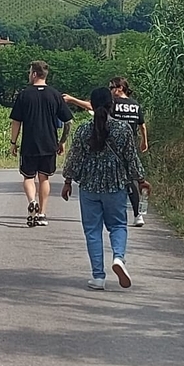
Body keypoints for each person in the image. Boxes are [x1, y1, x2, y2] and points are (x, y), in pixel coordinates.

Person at [61, 87, 150, 290]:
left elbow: (74, 158)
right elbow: (131, 159)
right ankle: (118, 257)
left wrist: (67, 181)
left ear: (91, 105)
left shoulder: (83, 130)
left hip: (89, 187)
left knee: (92, 231)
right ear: (112, 105)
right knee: (118, 225)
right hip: (116, 187)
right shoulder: (123, 129)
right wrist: (141, 180)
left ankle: (98, 277)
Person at [63, 76, 149, 227]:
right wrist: (144, 141)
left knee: (113, 182)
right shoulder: (135, 105)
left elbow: (93, 107)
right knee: (131, 181)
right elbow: (142, 125)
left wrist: (72, 100)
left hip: (108, 142)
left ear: (120, 88)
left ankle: (105, 214)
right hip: (128, 144)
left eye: (111, 87)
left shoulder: (113, 104)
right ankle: (138, 214)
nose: (110, 91)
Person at [10, 60, 73, 226]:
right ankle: (42, 214)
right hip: (49, 144)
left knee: (28, 177)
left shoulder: (24, 95)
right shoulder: (55, 95)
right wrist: (62, 141)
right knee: (44, 178)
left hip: (29, 144)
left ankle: (32, 201)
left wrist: (13, 142)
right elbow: (68, 121)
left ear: (34, 74)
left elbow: (16, 121)